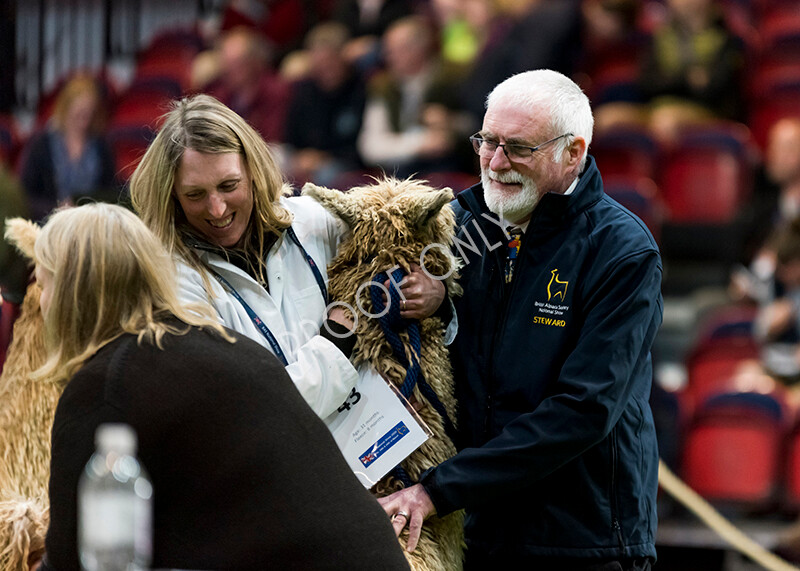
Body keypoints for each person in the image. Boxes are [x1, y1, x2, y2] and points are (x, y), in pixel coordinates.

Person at [378, 69, 662, 569]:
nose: (494, 162)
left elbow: (583, 411)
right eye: (487, 141)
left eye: (518, 148)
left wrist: (440, 490)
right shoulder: (468, 226)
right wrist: (441, 300)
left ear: (573, 152)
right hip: (476, 533)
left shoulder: (623, 252)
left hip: (581, 542)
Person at [30, 203, 410, 571]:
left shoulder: (105, 386)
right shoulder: (226, 343)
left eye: (43, 284)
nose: (40, 302)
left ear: (69, 296)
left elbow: (74, 559)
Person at [129, 94, 445, 419]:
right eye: (195, 194)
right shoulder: (171, 285)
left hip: (375, 453)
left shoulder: (313, 220)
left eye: (229, 185)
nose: (217, 209)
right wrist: (336, 341)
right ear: (171, 196)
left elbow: (408, 262)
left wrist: (435, 295)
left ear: (254, 170)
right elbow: (256, 410)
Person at [19, 74, 118, 221]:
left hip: (91, 224)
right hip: (50, 222)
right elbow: (26, 195)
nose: (85, 117)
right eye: (80, 111)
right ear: (66, 107)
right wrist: (56, 207)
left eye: (89, 111)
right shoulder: (42, 145)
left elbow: (111, 190)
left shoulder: (101, 146)